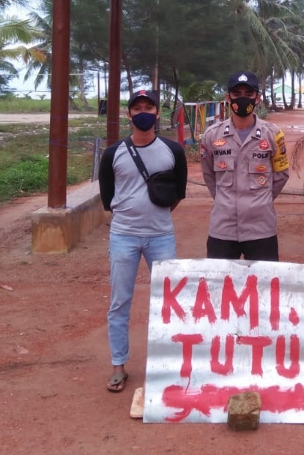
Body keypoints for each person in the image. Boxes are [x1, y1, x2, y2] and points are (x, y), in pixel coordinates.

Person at [98, 89, 187, 393]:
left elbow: (179, 192)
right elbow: (108, 197)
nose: (144, 113)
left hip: (161, 237)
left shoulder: (172, 151)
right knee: (119, 302)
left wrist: (156, 216)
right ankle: (118, 366)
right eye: (138, 109)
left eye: (149, 108)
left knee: (170, 303)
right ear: (129, 115)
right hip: (123, 236)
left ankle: (168, 366)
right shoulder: (113, 154)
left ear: (158, 113)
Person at [200, 70, 289, 260]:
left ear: (257, 98)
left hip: (261, 229)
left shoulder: (273, 134)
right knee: (219, 279)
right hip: (222, 228)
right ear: (228, 97)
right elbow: (208, 174)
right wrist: (224, 200)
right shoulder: (212, 135)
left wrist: (262, 200)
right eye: (237, 94)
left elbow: (281, 174)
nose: (243, 99)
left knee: (263, 279)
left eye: (248, 94)